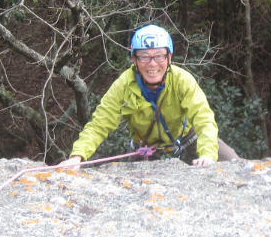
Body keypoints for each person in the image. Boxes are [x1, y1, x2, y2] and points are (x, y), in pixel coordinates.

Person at [58, 24, 239, 169]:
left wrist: (207, 154)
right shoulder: (124, 85)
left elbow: (203, 118)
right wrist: (77, 156)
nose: (152, 64)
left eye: (159, 56)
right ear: (135, 60)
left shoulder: (182, 80)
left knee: (233, 163)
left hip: (188, 140)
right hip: (145, 149)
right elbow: (100, 124)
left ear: (169, 58)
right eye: (144, 56)